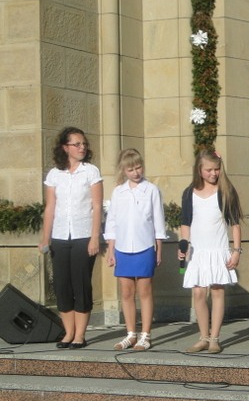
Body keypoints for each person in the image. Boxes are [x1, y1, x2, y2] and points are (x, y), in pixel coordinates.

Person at [39, 126, 103, 349]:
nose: (82, 147)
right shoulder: (54, 174)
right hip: (59, 236)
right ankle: (68, 333)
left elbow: (97, 206)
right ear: (65, 148)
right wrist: (45, 238)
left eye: (83, 143)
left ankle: (80, 335)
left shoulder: (91, 171)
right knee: (62, 285)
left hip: (83, 235)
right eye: (77, 144)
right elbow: (50, 207)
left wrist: (94, 237)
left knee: (80, 284)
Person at [179, 149, 243, 354]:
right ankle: (203, 337)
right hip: (198, 251)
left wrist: (236, 250)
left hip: (217, 249)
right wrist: (183, 245)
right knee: (198, 292)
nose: (213, 173)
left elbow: (235, 224)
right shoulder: (189, 193)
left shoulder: (225, 191)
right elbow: (185, 224)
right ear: (199, 169)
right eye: (209, 170)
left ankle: (215, 338)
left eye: (216, 169)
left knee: (217, 290)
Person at [104, 149, 166, 351]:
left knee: (145, 291)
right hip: (122, 248)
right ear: (124, 170)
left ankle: (145, 335)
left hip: (144, 246)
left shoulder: (151, 190)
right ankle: (131, 334)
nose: (136, 172)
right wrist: (111, 250)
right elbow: (112, 222)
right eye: (130, 169)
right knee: (126, 292)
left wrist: (158, 249)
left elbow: (158, 221)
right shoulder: (118, 192)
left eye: (138, 167)